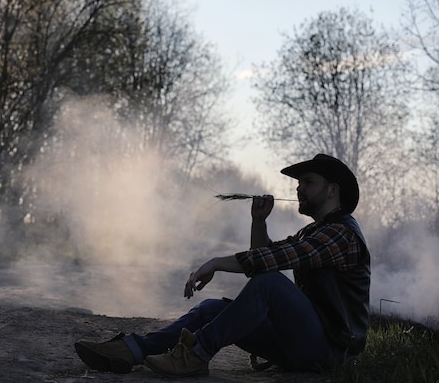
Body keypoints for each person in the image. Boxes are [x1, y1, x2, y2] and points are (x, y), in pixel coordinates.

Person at [74, 154, 371, 377]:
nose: (298, 189)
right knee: (211, 309)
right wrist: (258, 220)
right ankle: (134, 349)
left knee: (269, 284)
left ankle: (196, 354)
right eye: (298, 183)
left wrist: (217, 263)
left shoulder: (341, 234)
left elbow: (271, 265)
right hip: (302, 343)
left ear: (332, 190)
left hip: (331, 351)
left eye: (308, 183)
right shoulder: (315, 231)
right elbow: (268, 257)